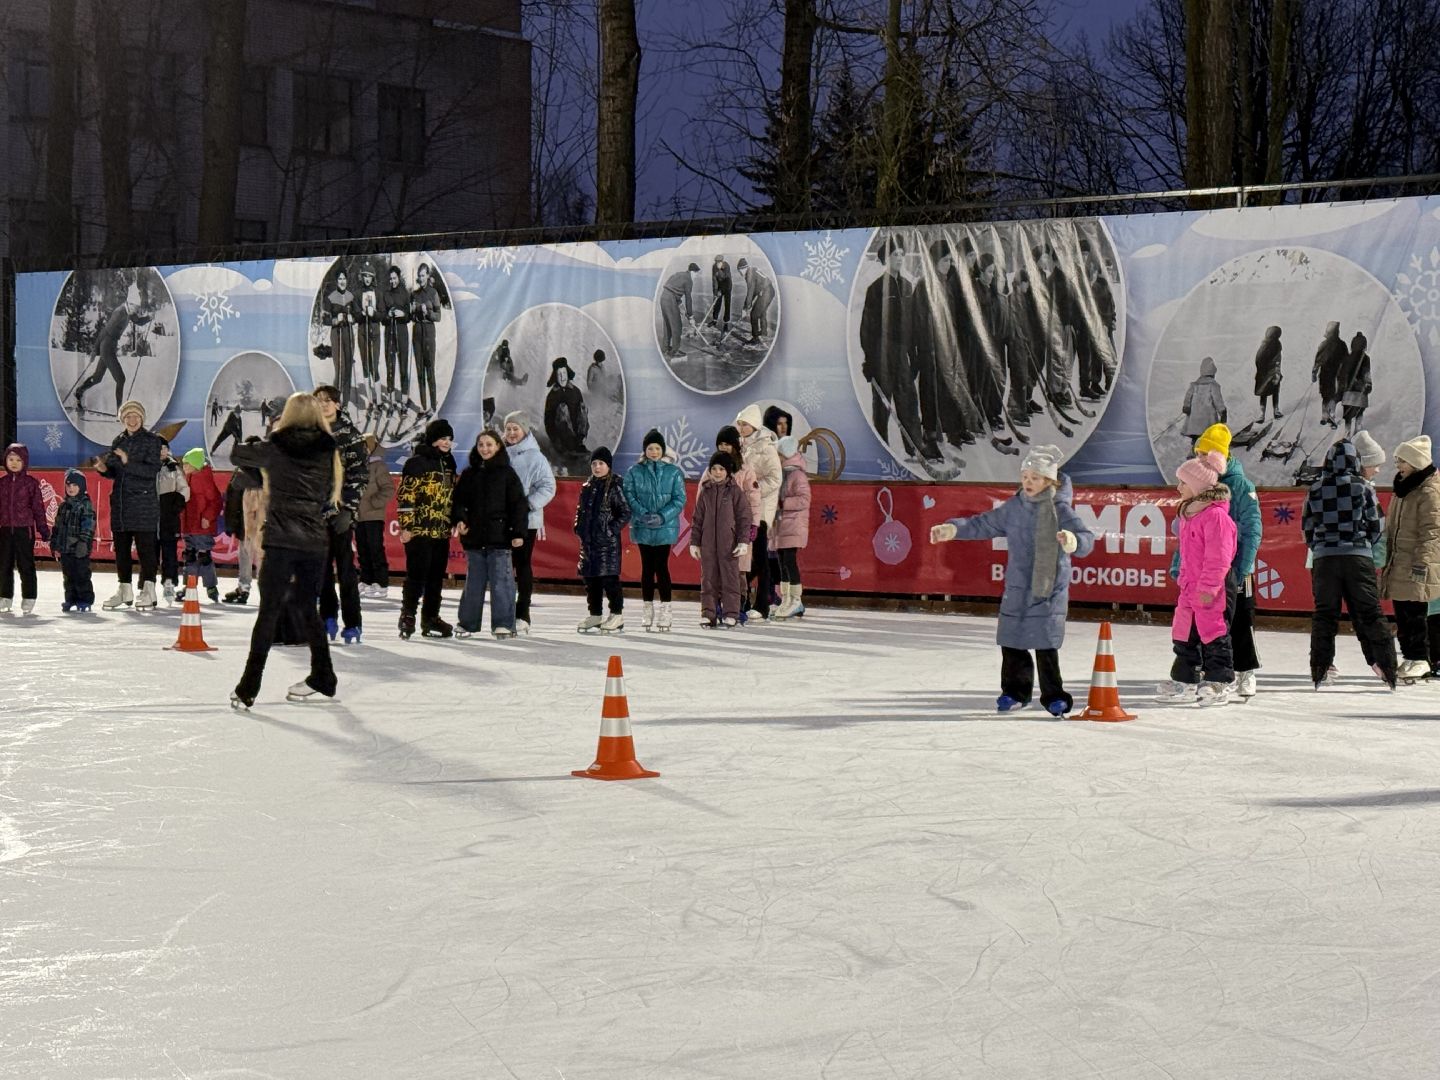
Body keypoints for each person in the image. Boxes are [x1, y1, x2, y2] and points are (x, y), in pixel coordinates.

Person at [929, 445, 1095, 716]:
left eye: (1035, 477)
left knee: (1045, 643)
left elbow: (1086, 539)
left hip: (1048, 586)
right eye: (1026, 476)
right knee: (1012, 639)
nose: (1028, 482)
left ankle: (1054, 695)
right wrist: (952, 529)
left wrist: (1072, 540)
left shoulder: (1060, 509)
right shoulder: (1015, 507)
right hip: (1018, 584)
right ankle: (1015, 692)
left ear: (1049, 481)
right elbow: (983, 524)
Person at [228, 392, 341, 709]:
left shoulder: (276, 446)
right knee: (308, 609)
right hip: (314, 540)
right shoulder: (327, 449)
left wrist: (250, 444)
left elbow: (237, 455)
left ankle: (249, 685)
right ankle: (324, 676)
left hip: (281, 540)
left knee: (268, 612)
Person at [1302, 437, 1397, 690]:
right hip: (1358, 558)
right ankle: (1387, 667)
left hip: (1325, 559)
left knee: (1324, 614)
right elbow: (1377, 523)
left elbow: (1307, 527)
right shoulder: (1363, 487)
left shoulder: (1315, 489)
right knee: (1370, 612)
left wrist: (1321, 546)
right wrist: (1361, 542)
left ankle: (1320, 669)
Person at [1157, 450, 1238, 705]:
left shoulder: (1216, 517)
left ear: (1197, 486)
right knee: (1184, 632)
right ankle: (1185, 680)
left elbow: (1219, 557)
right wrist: (1183, 579)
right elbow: (1186, 554)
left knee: (1213, 632)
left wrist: (1209, 586)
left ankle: (1220, 681)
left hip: (1213, 587)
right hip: (1191, 586)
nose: (1179, 487)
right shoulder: (1189, 515)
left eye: (1183, 482)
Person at [1191, 424, 1263, 698]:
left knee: (1241, 619)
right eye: (1197, 454)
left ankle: (1246, 671)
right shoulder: (1201, 485)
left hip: (1235, 567)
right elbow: (1190, 528)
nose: (1199, 459)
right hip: (1207, 569)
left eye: (1204, 454)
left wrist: (1243, 566)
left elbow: (1252, 527)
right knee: (1208, 620)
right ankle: (1210, 670)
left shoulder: (1241, 485)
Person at [451, 429, 528, 638]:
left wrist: (518, 532)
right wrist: (460, 520)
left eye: (489, 444)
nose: (485, 449)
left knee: (502, 584)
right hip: (474, 538)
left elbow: (518, 505)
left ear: (498, 447)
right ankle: (467, 623)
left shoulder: (507, 474)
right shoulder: (469, 474)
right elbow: (458, 502)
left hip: (500, 539)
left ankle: (503, 624)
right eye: (481, 445)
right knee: (473, 584)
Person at [1379, 435, 1440, 681]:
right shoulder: (1404, 489)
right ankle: (1411, 656)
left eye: (1402, 460)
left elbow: (1433, 531)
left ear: (1417, 462)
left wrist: (1423, 562)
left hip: (1416, 562)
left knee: (1415, 613)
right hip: (1400, 560)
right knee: (1402, 612)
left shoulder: (1429, 491)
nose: (1398, 465)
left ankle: (1421, 658)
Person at [859, 237, 924, 458]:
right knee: (882, 404)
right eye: (895, 255)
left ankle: (914, 446)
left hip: (902, 353)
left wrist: (914, 355)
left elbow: (913, 323)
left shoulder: (907, 286)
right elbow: (867, 326)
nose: (899, 258)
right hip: (881, 355)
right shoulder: (876, 288)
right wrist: (869, 360)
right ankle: (881, 447)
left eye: (901, 254)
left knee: (908, 399)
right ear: (886, 259)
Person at [96, 400, 164, 611]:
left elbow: (151, 471)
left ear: (142, 418)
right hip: (121, 503)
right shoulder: (119, 440)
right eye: (127, 417)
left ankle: (149, 589)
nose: (131, 420)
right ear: (122, 419)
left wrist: (127, 461)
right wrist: (103, 469)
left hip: (143, 502)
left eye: (135, 416)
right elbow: (115, 472)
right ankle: (124, 588)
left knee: (146, 549)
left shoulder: (152, 441)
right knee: (122, 550)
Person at [396, 419, 457, 639]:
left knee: (435, 577)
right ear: (432, 439)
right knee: (417, 575)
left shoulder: (449, 463)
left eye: (449, 439)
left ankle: (430, 617)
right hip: (419, 530)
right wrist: (406, 526)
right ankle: (408, 614)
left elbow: (452, 496)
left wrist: (453, 520)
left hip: (441, 531)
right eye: (442, 438)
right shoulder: (417, 462)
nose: (447, 443)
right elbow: (406, 496)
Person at [315, 386, 367, 644]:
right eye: (319, 401)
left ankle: (353, 623)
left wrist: (348, 508)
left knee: (346, 571)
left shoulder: (350, 435)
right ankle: (327, 616)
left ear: (337, 404)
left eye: (328, 401)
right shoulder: (310, 433)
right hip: (315, 515)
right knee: (321, 570)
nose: (323, 405)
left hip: (341, 514)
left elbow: (359, 475)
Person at [622, 428, 686, 631]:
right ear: (645, 450)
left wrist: (662, 516)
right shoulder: (634, 472)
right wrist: (642, 514)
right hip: (643, 526)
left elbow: (679, 499)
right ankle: (647, 607)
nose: (654, 452)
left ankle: (666, 609)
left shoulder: (673, 472)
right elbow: (629, 495)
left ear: (663, 450)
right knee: (647, 568)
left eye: (657, 448)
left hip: (665, 527)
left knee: (662, 567)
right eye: (650, 448)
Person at [502, 411, 556, 634]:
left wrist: (527, 505)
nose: (512, 433)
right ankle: (504, 612)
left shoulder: (536, 457)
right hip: (502, 521)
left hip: (526, 522)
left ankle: (522, 613)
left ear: (525, 430)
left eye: (516, 428)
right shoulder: (500, 454)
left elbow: (548, 487)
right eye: (508, 429)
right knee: (502, 568)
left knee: (522, 566)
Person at [690, 452, 752, 628]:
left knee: (730, 579)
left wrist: (743, 541)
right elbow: (697, 519)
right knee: (708, 579)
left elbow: (744, 518)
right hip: (708, 544)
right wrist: (694, 542)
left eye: (721, 469)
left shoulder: (735, 492)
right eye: (714, 469)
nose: (717, 472)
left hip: (729, 544)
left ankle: (731, 613)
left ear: (728, 471)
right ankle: (708, 613)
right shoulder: (705, 491)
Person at [573, 446, 630, 633]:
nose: (597, 467)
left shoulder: (614, 487)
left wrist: (610, 530)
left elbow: (625, 512)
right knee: (591, 580)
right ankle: (595, 613)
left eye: (601, 464)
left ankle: (616, 614)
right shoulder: (587, 487)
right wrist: (578, 526)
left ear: (609, 466)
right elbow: (580, 510)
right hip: (588, 543)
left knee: (609, 579)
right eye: (594, 464)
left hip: (607, 544)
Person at [736, 404, 783, 620]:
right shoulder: (741, 446)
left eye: (744, 424)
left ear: (754, 425)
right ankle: (741, 597)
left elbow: (775, 478)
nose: (741, 427)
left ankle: (763, 604)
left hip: (762, 509)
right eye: (739, 423)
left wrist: (753, 489)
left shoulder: (766, 447)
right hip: (744, 507)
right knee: (747, 557)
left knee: (761, 557)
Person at [73, 283, 143, 415]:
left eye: (137, 308)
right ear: (129, 303)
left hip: (111, 346)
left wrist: (149, 318)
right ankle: (120, 412)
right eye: (136, 307)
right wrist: (95, 350)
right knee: (121, 379)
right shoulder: (119, 313)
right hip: (106, 345)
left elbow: (138, 321)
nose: (136, 311)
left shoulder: (130, 311)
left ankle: (79, 392)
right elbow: (104, 332)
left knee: (97, 378)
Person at [0, 443, 51, 615]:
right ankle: (4, 596)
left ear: (25, 462)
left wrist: (43, 530)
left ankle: (29, 597)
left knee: (25, 564)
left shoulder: (31, 484)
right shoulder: (2, 483)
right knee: (4, 564)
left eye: (18, 460)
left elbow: (38, 509)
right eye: (10, 459)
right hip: (5, 530)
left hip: (24, 530)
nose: (14, 463)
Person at [772, 434, 811, 619]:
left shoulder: (797, 475)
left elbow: (804, 499)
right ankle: (786, 598)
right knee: (782, 563)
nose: (776, 458)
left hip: (793, 524)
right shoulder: (782, 474)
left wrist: (782, 502)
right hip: (782, 525)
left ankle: (796, 600)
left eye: (779, 455)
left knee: (789, 561)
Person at [223, 437, 264, 604]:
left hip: (256, 523)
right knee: (252, 555)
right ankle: (250, 588)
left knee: (251, 555)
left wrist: (230, 524)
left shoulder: (244, 471)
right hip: (250, 523)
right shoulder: (248, 471)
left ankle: (246, 588)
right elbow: (232, 499)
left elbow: (231, 499)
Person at [178, 448, 222, 602]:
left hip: (202, 527)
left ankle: (211, 586)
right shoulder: (187, 478)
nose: (184, 468)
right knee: (190, 556)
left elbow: (216, 501)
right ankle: (189, 586)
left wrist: (207, 517)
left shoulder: (204, 480)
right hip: (190, 525)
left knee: (203, 556)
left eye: (187, 465)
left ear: (195, 465)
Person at [52, 468, 96, 612]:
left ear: (81, 487)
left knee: (81, 575)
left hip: (79, 549)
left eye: (75, 485)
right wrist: (55, 544)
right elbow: (57, 526)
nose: (71, 488)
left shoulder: (85, 504)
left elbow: (88, 525)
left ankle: (85, 599)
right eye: (68, 485)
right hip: (66, 549)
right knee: (68, 576)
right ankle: (70, 599)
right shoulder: (63, 505)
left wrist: (84, 542)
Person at [356, 434, 393, 599]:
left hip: (374, 515)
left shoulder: (378, 466)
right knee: (362, 549)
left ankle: (381, 581)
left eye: (364, 446)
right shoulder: (356, 466)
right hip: (358, 516)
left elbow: (388, 489)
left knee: (375, 548)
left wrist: (374, 503)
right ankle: (366, 579)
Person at [155, 440, 190, 602]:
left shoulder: (173, 467)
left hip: (169, 517)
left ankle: (169, 582)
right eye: (158, 448)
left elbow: (184, 489)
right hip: (150, 517)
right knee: (149, 553)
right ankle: (146, 586)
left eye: (164, 447)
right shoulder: (146, 466)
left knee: (169, 551)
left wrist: (176, 504)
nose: (161, 451)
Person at [543, 358, 589, 471]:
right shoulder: (552, 396)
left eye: (564, 373)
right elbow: (548, 421)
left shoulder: (575, 392)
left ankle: (578, 444)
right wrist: (555, 440)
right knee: (562, 408)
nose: (562, 377)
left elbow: (582, 415)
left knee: (583, 408)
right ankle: (567, 449)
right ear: (555, 376)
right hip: (560, 438)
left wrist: (581, 435)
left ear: (567, 373)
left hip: (577, 436)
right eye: (559, 374)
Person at [409, 263, 443, 415]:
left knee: (430, 370)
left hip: (429, 331)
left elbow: (438, 316)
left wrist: (427, 313)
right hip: (417, 331)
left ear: (428, 276)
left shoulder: (433, 293)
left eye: (423, 275)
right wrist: (411, 311)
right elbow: (410, 316)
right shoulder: (415, 294)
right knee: (419, 371)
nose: (421, 278)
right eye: (419, 275)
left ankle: (433, 407)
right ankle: (423, 406)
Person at [324, 270, 357, 408]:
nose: (342, 281)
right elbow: (324, 319)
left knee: (348, 367)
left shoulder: (351, 296)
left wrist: (353, 318)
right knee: (340, 368)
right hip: (336, 333)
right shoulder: (331, 297)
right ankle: (334, 401)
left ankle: (346, 404)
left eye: (344, 279)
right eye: (339, 279)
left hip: (348, 333)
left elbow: (357, 315)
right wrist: (334, 320)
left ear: (347, 280)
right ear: (336, 281)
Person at [382, 265, 411, 398]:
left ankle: (404, 400)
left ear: (398, 278)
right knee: (390, 366)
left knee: (403, 366)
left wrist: (402, 314)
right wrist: (388, 314)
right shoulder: (386, 294)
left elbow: (409, 316)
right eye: (390, 279)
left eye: (394, 278)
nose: (392, 281)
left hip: (402, 332)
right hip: (389, 332)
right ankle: (392, 400)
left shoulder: (405, 293)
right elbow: (382, 317)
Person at [659, 263, 698, 358]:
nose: (696, 276)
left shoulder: (678, 274)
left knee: (667, 324)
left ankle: (665, 348)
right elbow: (688, 299)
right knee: (677, 325)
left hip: (663, 297)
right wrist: (691, 316)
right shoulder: (689, 280)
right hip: (670, 299)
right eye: (696, 273)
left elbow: (673, 289)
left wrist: (681, 308)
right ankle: (675, 351)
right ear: (692, 272)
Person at [1181, 357, 1226, 439]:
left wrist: (1186, 406)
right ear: (1213, 373)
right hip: (1207, 422)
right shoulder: (1213, 386)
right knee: (1207, 437)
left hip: (1194, 423)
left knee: (1196, 437)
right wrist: (1223, 412)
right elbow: (1218, 401)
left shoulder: (1194, 385)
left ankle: (1195, 446)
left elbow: (1188, 397)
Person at [1313, 321, 1347, 428]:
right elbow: (1346, 361)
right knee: (1334, 396)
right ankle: (1331, 416)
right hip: (1336, 376)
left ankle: (1324, 416)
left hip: (1324, 375)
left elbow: (1317, 360)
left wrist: (1314, 372)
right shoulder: (1342, 345)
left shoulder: (1323, 345)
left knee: (1325, 395)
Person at [355, 265, 382, 393]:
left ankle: (379, 401)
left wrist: (374, 314)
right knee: (365, 365)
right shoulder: (357, 293)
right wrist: (363, 314)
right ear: (362, 277)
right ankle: (370, 401)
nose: (367, 279)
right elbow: (355, 315)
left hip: (375, 332)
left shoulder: (378, 292)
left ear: (373, 278)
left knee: (374, 366)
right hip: (362, 332)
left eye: (369, 276)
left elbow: (382, 314)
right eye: (365, 276)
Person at [1339, 331, 1372, 436]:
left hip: (1348, 391)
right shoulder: (1365, 358)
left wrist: (1342, 388)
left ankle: (1347, 434)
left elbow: (1341, 374)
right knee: (1360, 412)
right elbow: (1366, 373)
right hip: (1360, 390)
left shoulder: (1347, 358)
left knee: (1347, 416)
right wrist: (1368, 385)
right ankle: (1357, 430)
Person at [737, 257, 775, 344]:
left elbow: (750, 292)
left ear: (744, 268)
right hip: (770, 290)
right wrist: (746, 307)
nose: (739, 273)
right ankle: (764, 332)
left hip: (766, 292)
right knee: (761, 312)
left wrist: (746, 308)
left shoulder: (749, 274)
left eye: (740, 270)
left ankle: (755, 338)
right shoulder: (752, 270)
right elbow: (753, 292)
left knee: (754, 315)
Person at [1253, 326, 1283, 422]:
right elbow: (1277, 360)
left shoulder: (1264, 344)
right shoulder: (1277, 345)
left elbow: (1258, 359)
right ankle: (1276, 411)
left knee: (1263, 393)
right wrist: (1277, 372)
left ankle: (1262, 414)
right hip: (1273, 373)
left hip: (1263, 373)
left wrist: (1260, 370)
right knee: (1275, 391)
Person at [706, 254, 732, 330]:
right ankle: (714, 320)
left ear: (722, 262)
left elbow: (726, 280)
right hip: (719, 286)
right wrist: (715, 292)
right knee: (717, 303)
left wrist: (721, 290)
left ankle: (726, 323)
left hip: (727, 286)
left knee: (727, 305)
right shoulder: (714, 267)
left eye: (719, 262)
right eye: (716, 262)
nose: (717, 264)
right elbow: (714, 280)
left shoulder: (726, 266)